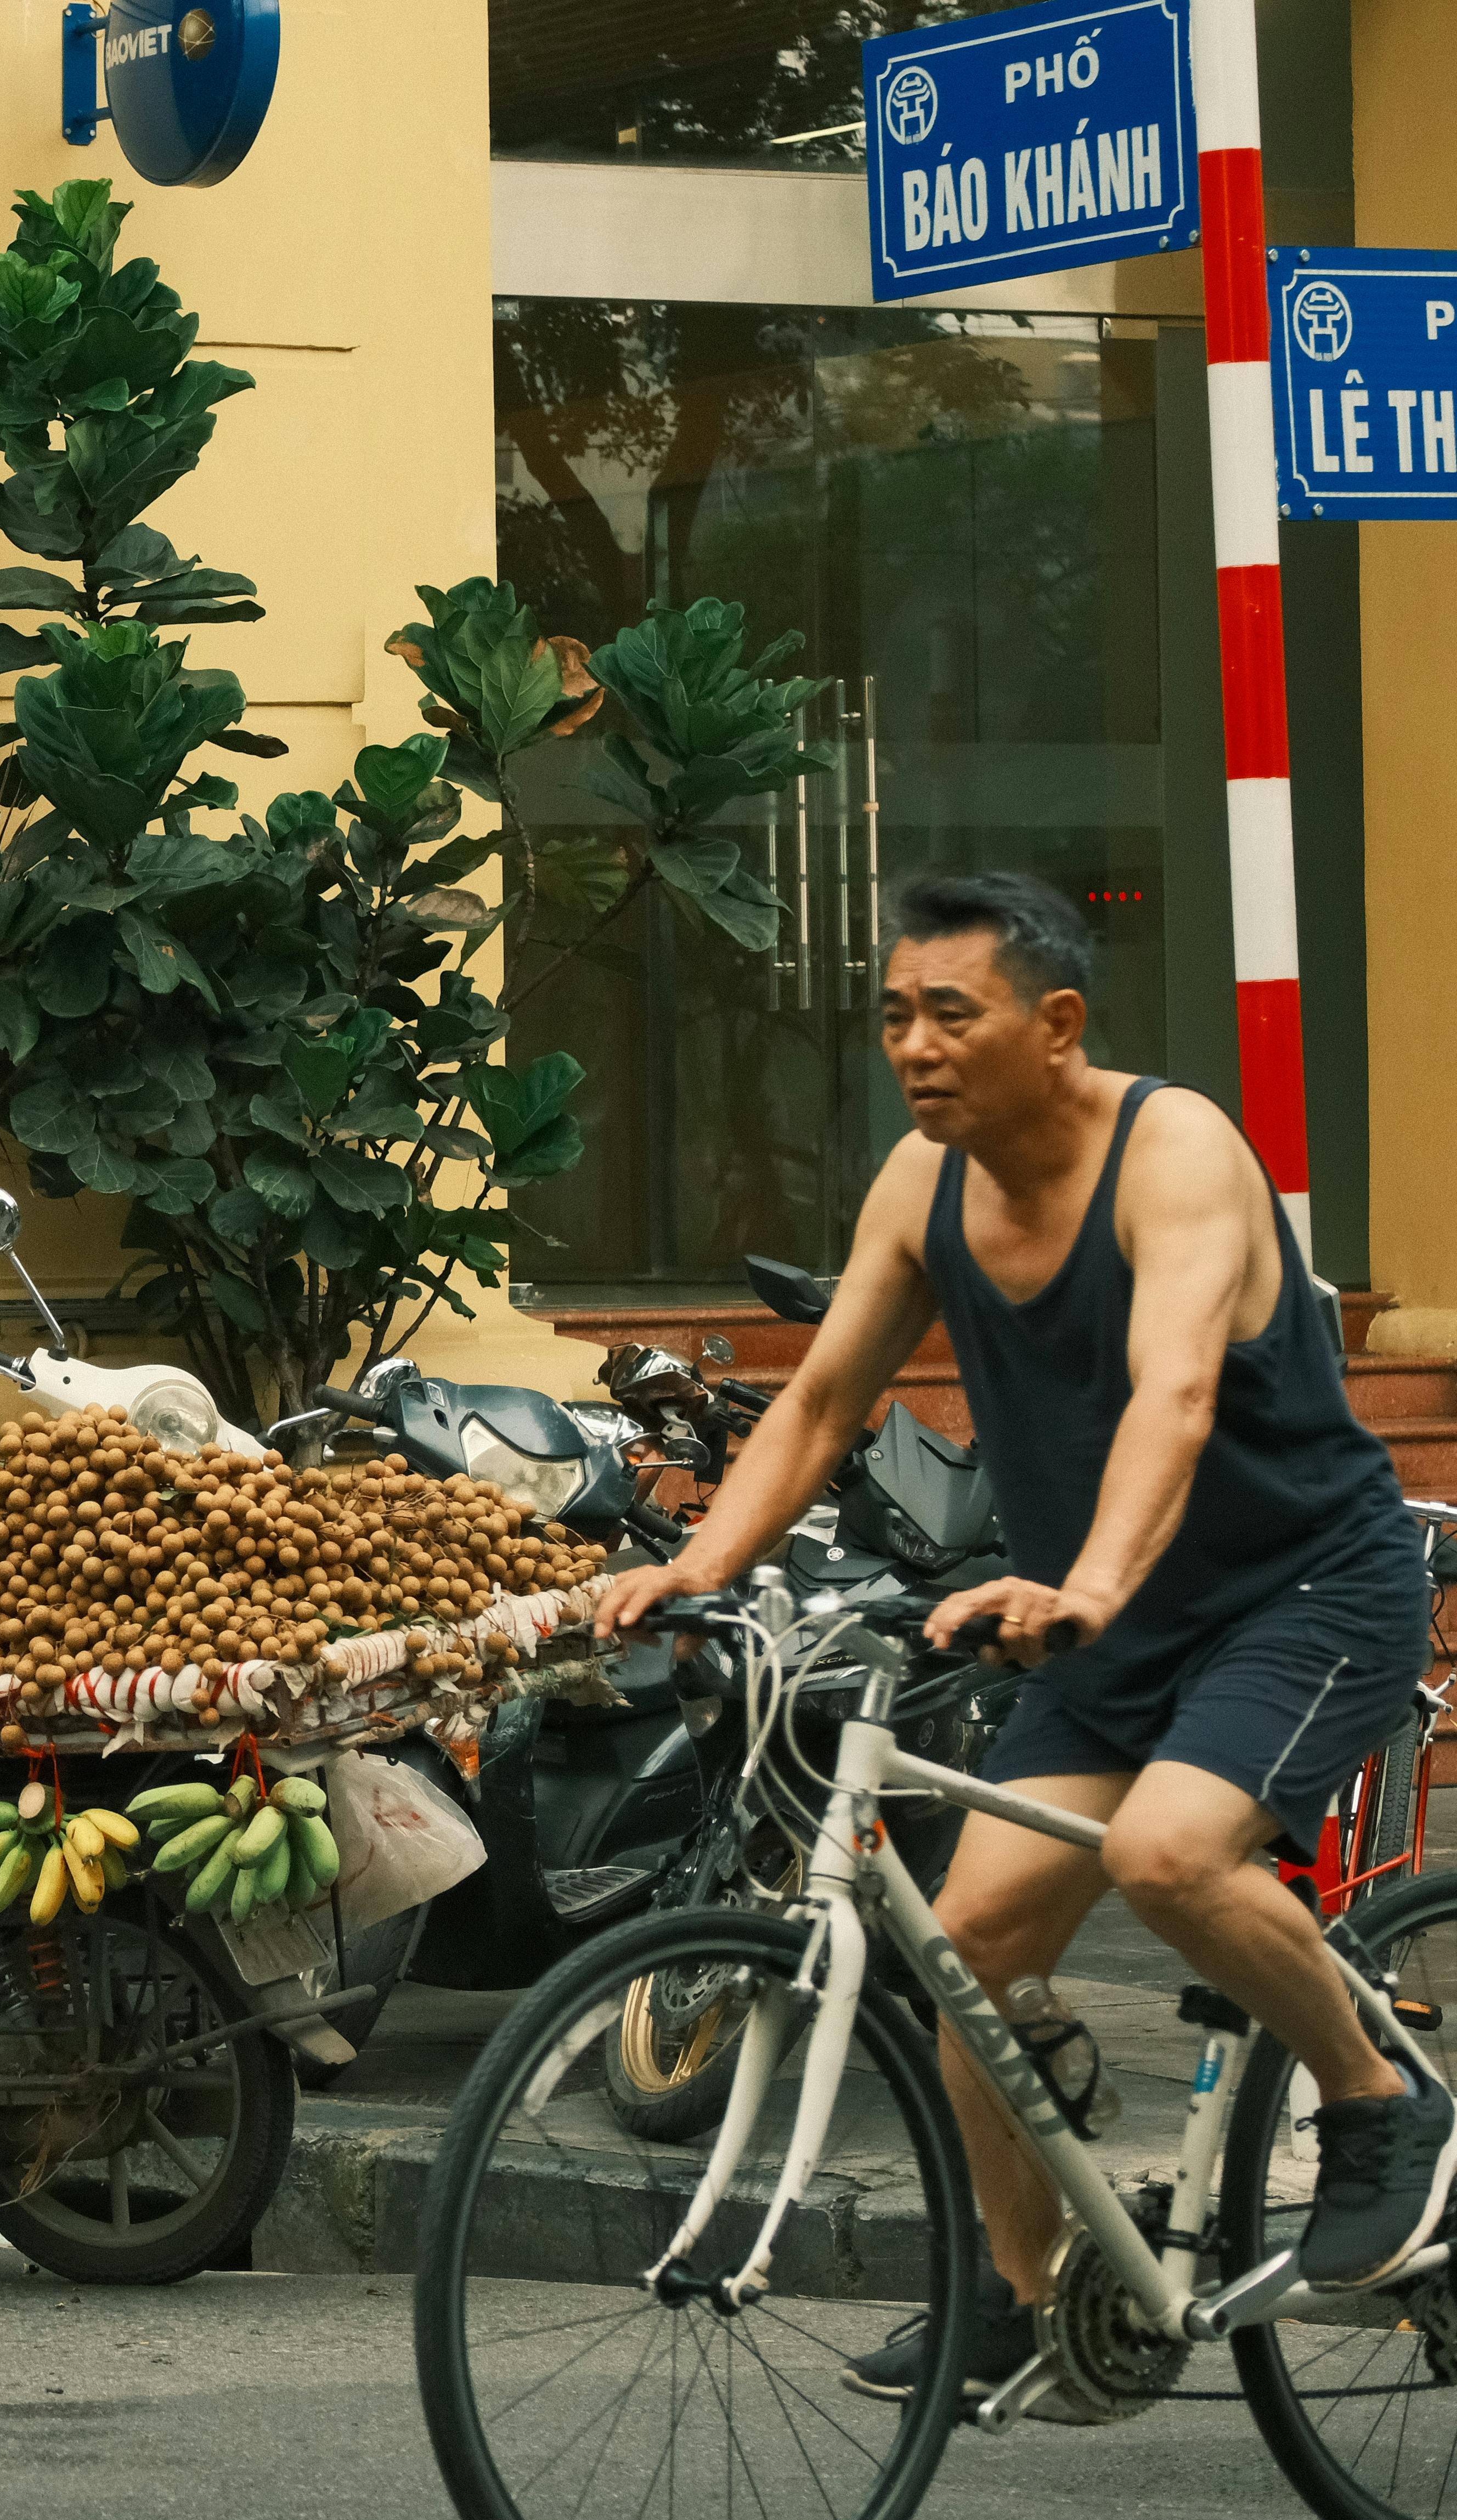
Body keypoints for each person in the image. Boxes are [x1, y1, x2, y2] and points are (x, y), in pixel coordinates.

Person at [600, 872, 1450, 2405]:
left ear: (1055, 1026)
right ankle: (1031, 2297)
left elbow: (1175, 1390)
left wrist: (1097, 1584)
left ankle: (1377, 2096)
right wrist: (699, 1562)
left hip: (1302, 1592)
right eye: (894, 1019)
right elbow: (819, 1398)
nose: (913, 1048)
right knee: (977, 1952)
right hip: (1098, 1630)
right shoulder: (920, 1188)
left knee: (1172, 1857)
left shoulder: (1175, 1153)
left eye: (951, 1015)